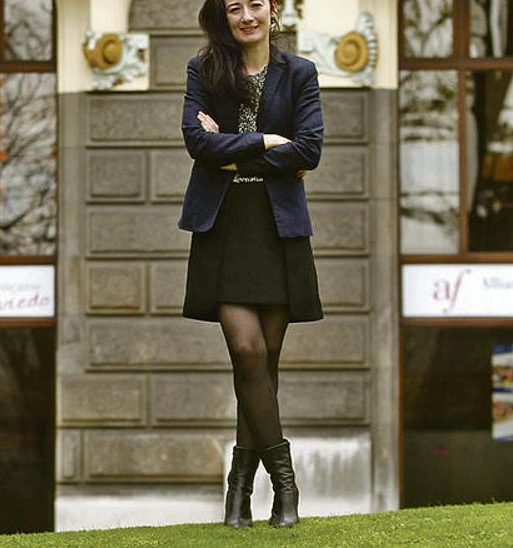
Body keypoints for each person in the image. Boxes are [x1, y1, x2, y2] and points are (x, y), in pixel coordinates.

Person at [178, 0, 324, 529]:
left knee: (262, 363)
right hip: (224, 226)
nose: (246, 16)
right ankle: (288, 489)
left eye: (255, 4)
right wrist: (266, 141)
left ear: (273, 10)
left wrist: (230, 150)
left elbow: (309, 149)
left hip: (277, 227)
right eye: (234, 6)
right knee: (246, 350)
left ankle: (239, 492)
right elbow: (197, 142)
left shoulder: (301, 73)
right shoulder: (204, 68)